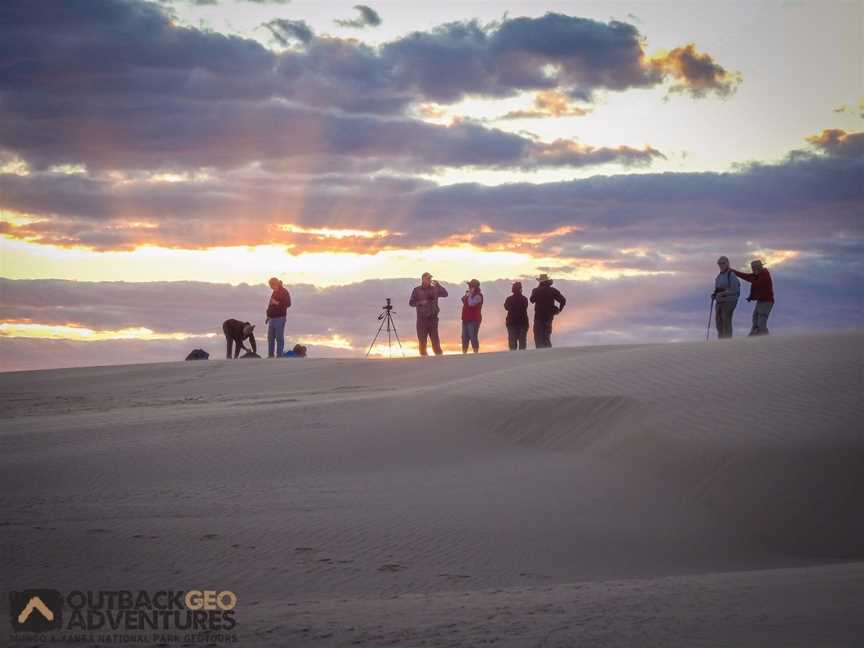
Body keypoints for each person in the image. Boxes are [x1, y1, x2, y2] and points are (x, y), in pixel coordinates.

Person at [409, 272, 448, 356]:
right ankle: (424, 363)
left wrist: (439, 285)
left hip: (433, 319)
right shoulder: (417, 290)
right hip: (421, 320)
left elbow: (445, 294)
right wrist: (420, 302)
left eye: (430, 278)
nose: (429, 280)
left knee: (436, 343)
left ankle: (440, 362)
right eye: (427, 278)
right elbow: (411, 303)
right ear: (423, 279)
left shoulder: (435, 289)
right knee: (422, 343)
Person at [733, 259, 774, 335]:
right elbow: (746, 276)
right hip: (761, 301)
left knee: (761, 321)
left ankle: (765, 339)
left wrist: (751, 279)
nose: (753, 269)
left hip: (767, 302)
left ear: (758, 267)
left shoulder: (765, 275)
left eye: (754, 267)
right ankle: (753, 336)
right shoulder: (757, 275)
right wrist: (733, 271)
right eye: (752, 267)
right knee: (755, 318)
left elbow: (756, 282)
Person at [530, 274, 566, 348]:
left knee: (538, 337)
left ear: (540, 282)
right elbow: (563, 300)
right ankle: (548, 354)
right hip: (548, 316)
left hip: (538, 317)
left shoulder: (536, 290)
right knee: (546, 336)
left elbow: (531, 300)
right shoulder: (552, 290)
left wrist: (537, 289)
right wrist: (559, 310)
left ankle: (540, 355)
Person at [712, 256, 740, 339]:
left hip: (729, 301)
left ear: (727, 263)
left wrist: (723, 293)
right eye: (719, 263)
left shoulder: (731, 275)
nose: (721, 265)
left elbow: (735, 289)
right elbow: (717, 289)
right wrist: (714, 294)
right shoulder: (719, 276)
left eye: (723, 263)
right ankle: (721, 340)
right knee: (718, 321)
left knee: (725, 319)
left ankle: (727, 340)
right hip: (720, 301)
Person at [265, 277, 292, 358]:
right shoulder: (274, 292)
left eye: (271, 286)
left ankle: (279, 356)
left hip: (280, 318)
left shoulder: (284, 292)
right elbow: (270, 305)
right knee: (270, 338)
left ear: (275, 284)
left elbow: (288, 304)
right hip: (272, 319)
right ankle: (270, 356)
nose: (271, 287)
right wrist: (268, 316)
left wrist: (277, 303)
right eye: (270, 286)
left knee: (279, 338)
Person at [504, 281, 529, 350]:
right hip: (522, 323)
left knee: (513, 344)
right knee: (522, 343)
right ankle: (522, 359)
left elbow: (506, 307)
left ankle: (514, 359)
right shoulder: (524, 299)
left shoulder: (509, 299)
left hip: (512, 323)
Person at [461, 279, 483, 354]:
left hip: (474, 320)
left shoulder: (479, 296)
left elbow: (471, 303)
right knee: (464, 337)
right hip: (465, 319)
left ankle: (475, 353)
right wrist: (467, 295)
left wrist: (469, 295)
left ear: (475, 287)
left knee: (473, 336)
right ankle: (464, 353)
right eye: (469, 286)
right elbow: (463, 300)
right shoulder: (469, 295)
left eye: (471, 286)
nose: (469, 287)